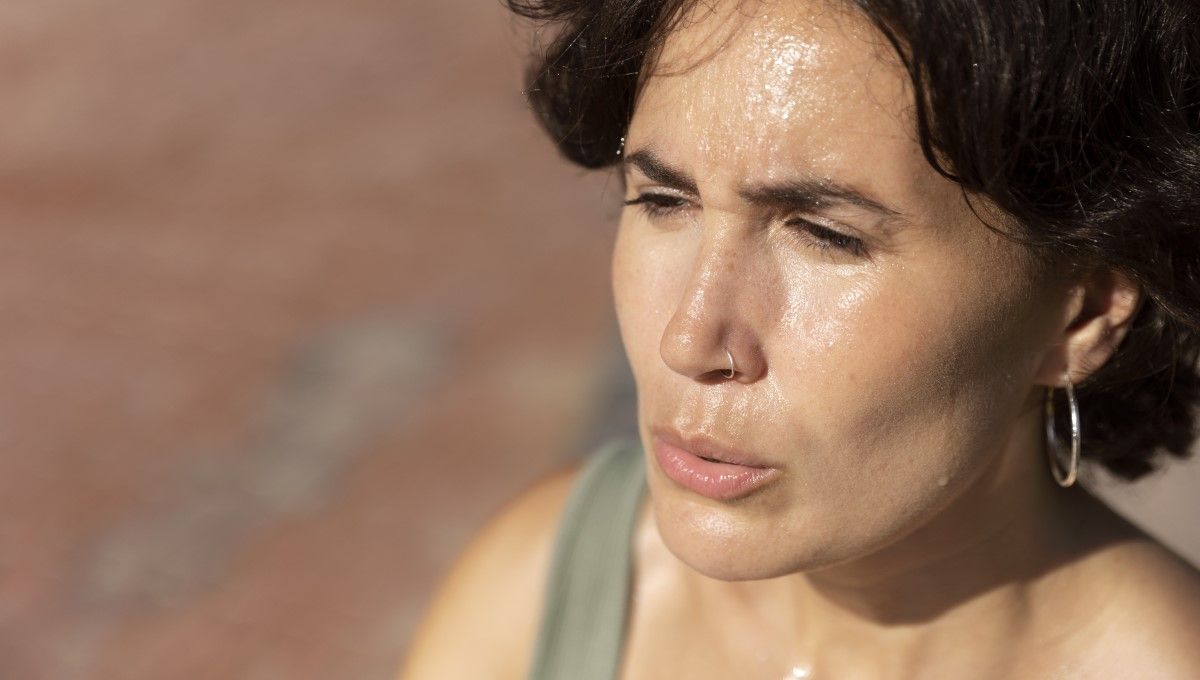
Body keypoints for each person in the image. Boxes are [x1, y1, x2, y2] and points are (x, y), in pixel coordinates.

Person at [400, 0, 1200, 677]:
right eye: (664, 200)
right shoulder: (550, 584)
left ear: (1083, 314)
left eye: (823, 233)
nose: (690, 338)